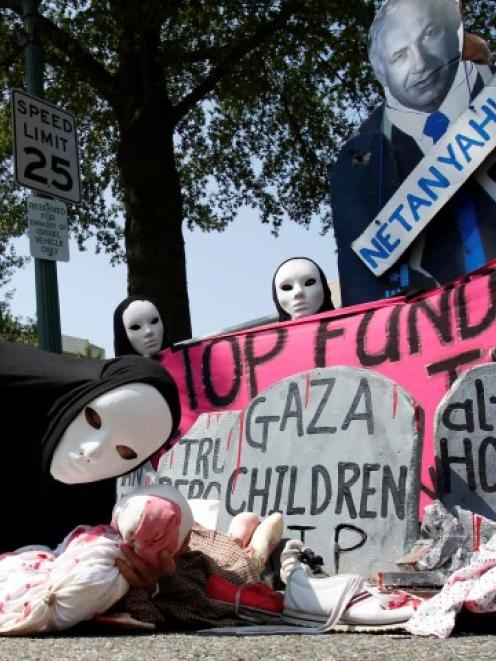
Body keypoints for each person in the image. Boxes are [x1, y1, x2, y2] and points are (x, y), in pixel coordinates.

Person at [330, 0, 496, 307]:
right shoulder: (356, 164)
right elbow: (362, 288)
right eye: (399, 55)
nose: (420, 62)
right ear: (382, 72)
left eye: (429, 34)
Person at [0, 340, 181, 594]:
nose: (93, 451)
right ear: (80, 396)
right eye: (93, 419)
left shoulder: (91, 501)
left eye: (125, 452)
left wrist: (129, 577)